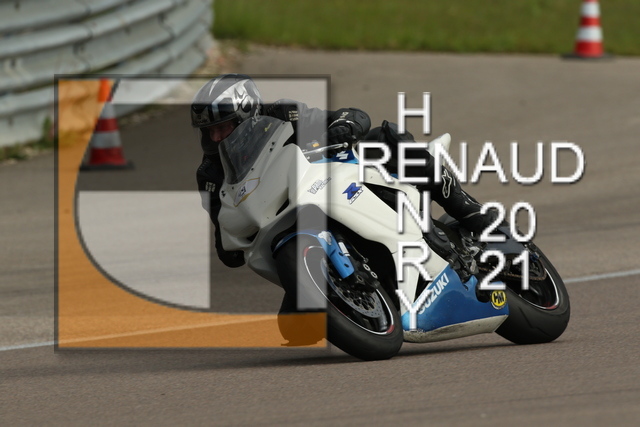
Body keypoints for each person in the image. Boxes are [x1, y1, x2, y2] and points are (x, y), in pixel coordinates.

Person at [191, 74, 495, 269]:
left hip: (332, 183)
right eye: (209, 130)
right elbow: (225, 239)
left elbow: (352, 116)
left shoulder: (283, 114)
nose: (216, 138)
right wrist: (229, 241)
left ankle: (471, 213)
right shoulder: (210, 175)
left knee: (385, 138)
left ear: (248, 114)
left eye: (223, 127)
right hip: (285, 222)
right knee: (295, 326)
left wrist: (343, 126)